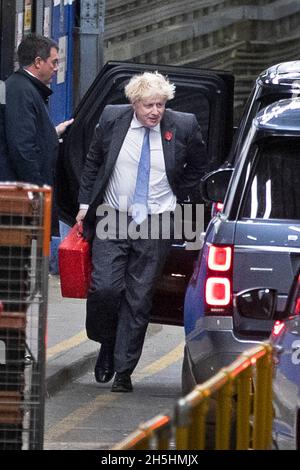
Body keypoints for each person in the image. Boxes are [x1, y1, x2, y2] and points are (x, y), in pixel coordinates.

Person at [76, 71, 207, 392]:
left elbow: (200, 166)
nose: (155, 112)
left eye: (160, 105)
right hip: (113, 215)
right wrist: (83, 204)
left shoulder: (184, 125)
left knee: (139, 298)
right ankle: (107, 342)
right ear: (134, 103)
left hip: (157, 220)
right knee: (105, 288)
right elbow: (93, 161)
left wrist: (178, 198)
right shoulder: (111, 119)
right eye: (149, 105)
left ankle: (124, 370)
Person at [4, 33, 73, 187]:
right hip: (23, 195)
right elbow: (23, 148)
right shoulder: (20, 91)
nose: (56, 69)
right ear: (38, 62)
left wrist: (52, 133)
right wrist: (38, 190)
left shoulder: (23, 88)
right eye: (54, 62)